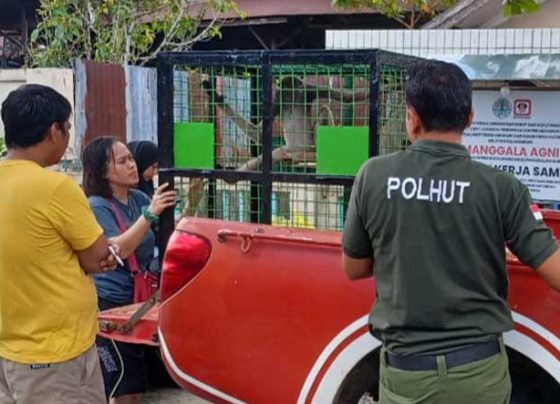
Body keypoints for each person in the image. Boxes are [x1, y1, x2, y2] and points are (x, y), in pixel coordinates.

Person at [342, 60, 560, 404]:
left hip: (406, 377)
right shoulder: (501, 187)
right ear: (470, 116)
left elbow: (353, 267)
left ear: (412, 117)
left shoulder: (374, 176)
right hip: (479, 377)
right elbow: (555, 271)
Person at [0, 84, 118, 403]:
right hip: (57, 355)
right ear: (54, 131)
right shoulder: (55, 189)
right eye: (67, 128)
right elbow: (97, 258)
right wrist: (100, 253)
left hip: (10, 350)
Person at [81, 136, 176, 404]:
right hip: (111, 305)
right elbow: (116, 251)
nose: (132, 165)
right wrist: (149, 215)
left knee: (146, 380)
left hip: (141, 300)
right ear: (102, 171)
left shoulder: (138, 198)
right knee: (125, 387)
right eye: (122, 161)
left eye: (131, 159)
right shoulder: (97, 206)